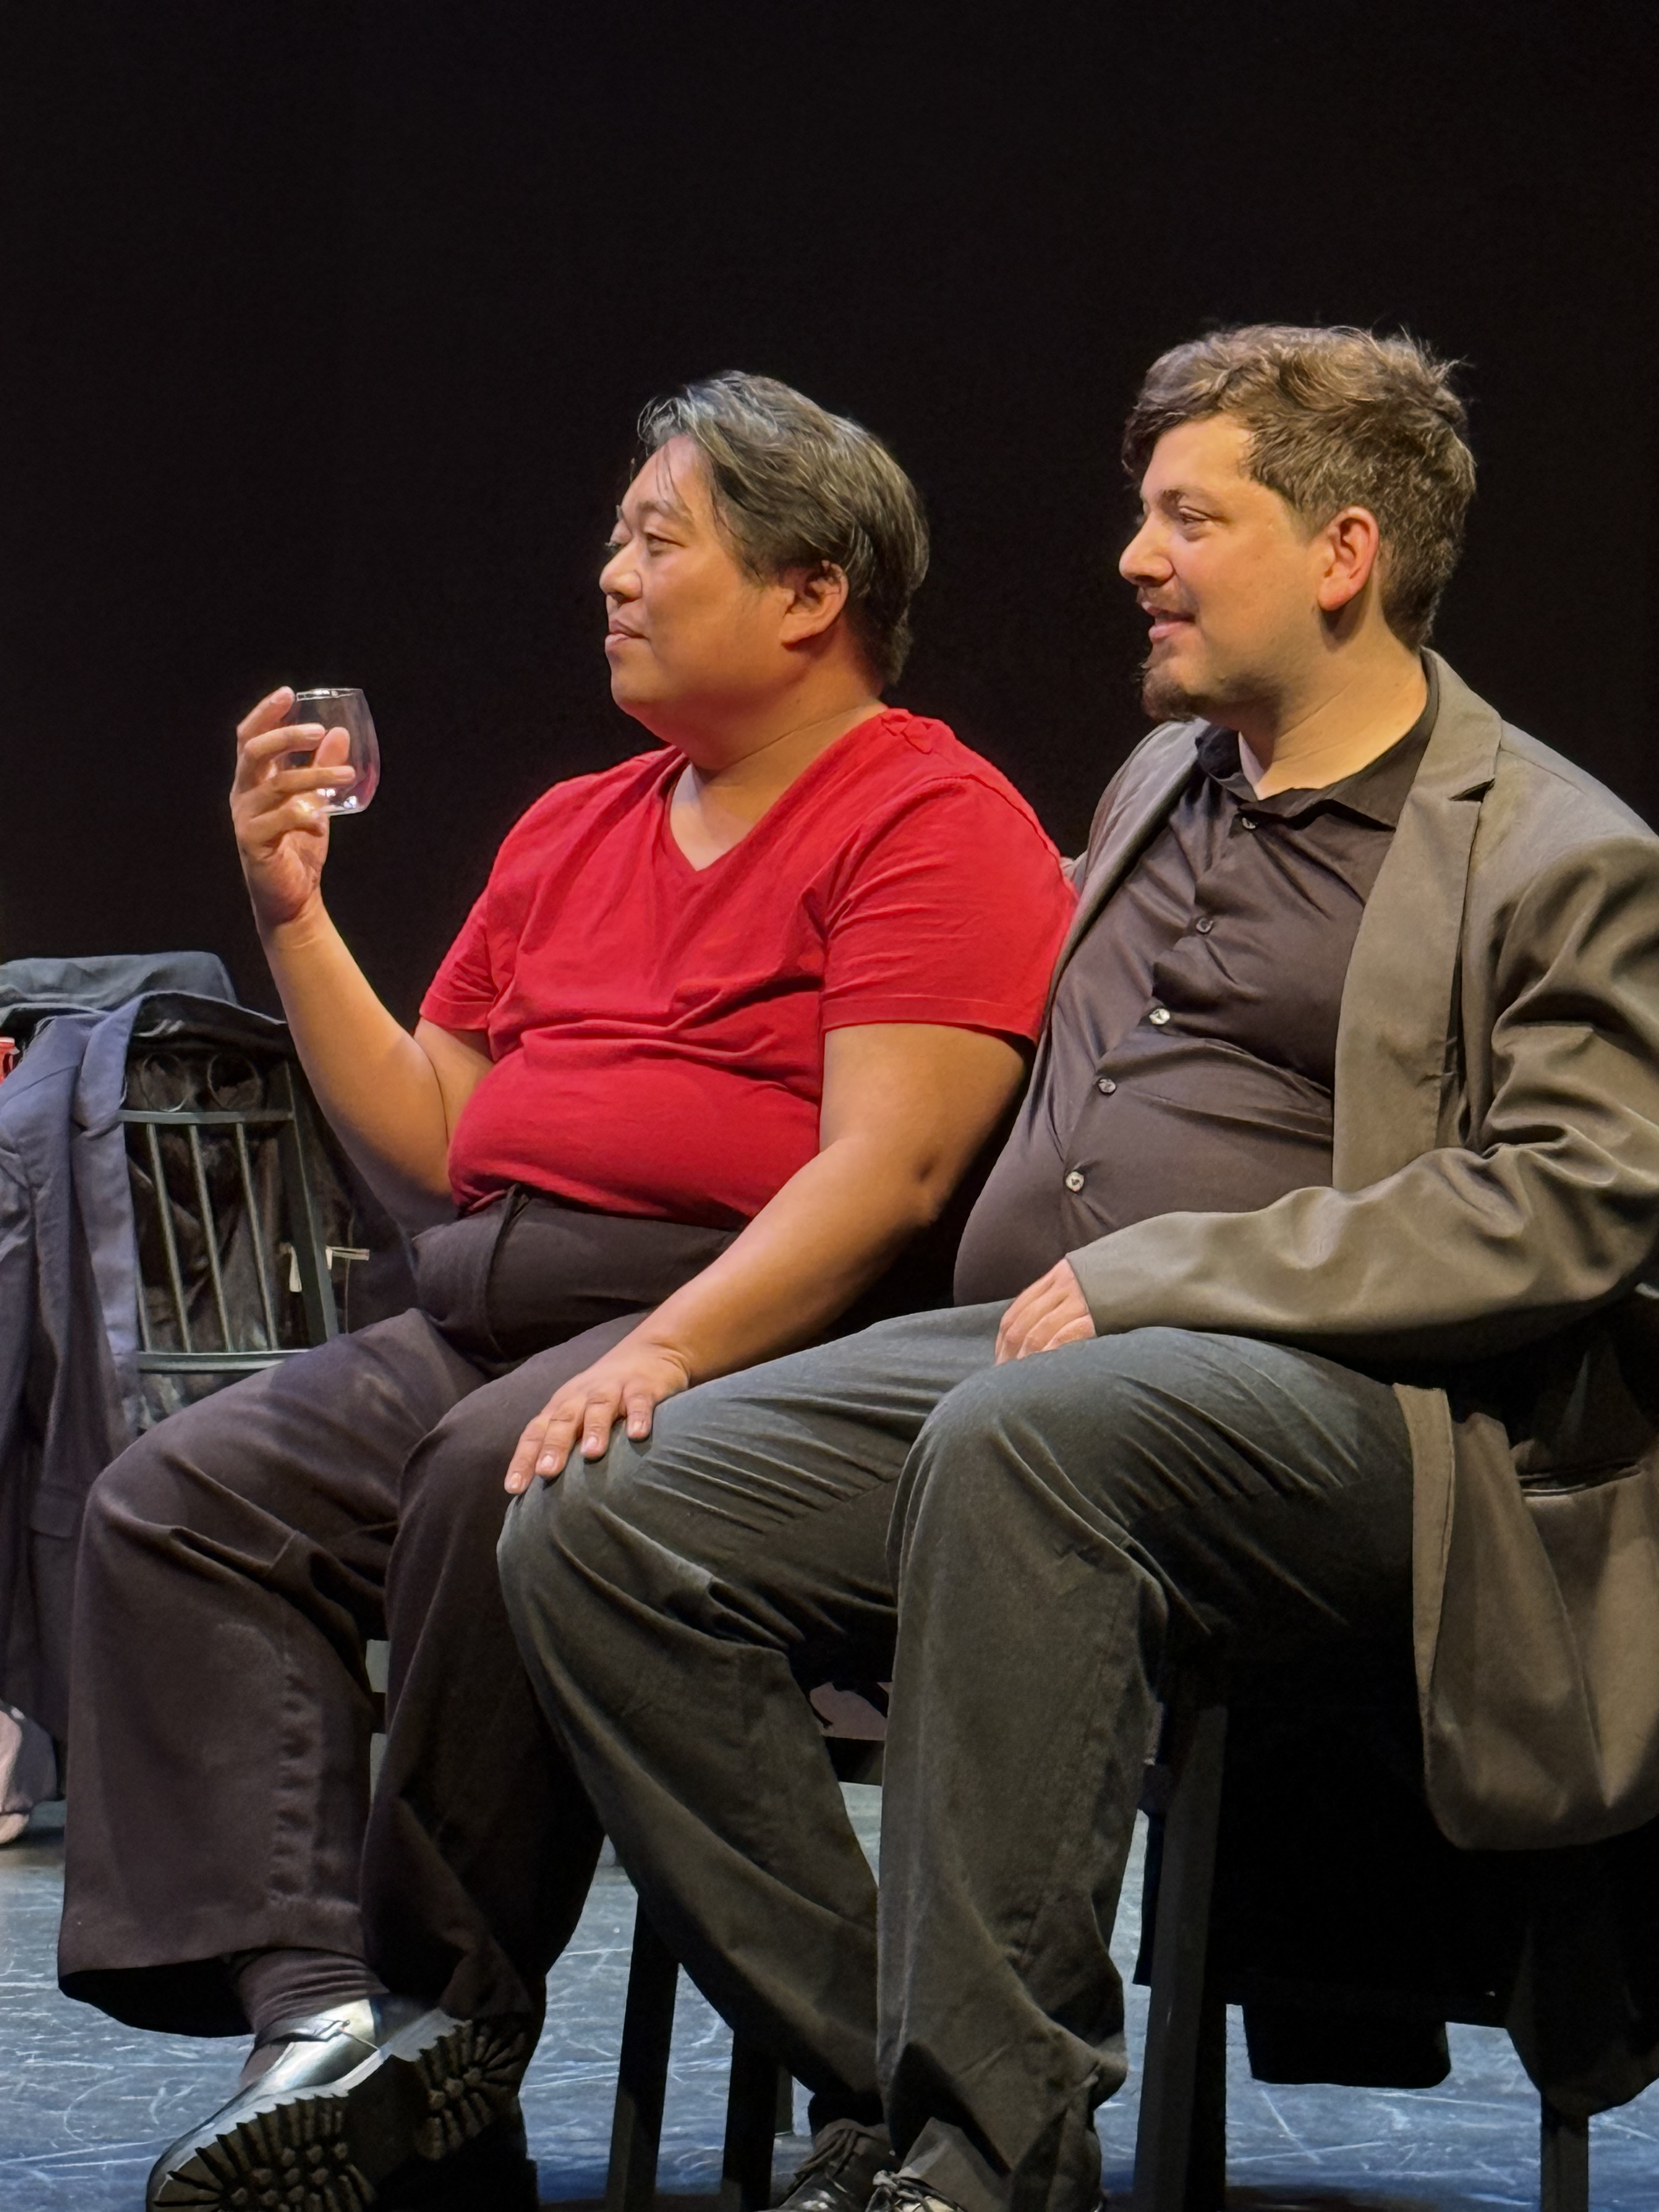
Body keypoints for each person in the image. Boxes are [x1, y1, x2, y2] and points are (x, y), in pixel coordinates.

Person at [499, 327, 1659, 2212]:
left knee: (1030, 1443)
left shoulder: (1549, 846)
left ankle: (984, 2164)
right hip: (1035, 1363)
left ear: (1345, 554)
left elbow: (1577, 1199)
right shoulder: (1155, 785)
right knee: (599, 1514)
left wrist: (1181, 1270)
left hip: (1368, 1415)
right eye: (1146, 514)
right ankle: (897, 2070)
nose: (1137, 557)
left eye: (1191, 518)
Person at [60, 372, 1075, 2212]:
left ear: (810, 592)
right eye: (618, 539)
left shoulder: (932, 817)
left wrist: (670, 1349)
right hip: (485, 1303)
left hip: (751, 1325)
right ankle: (321, 2021)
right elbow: (441, 1137)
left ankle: (444, 2021)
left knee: (494, 1471)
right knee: (182, 1500)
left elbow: (892, 1176)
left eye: (659, 540)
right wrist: (294, 917)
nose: (612, 575)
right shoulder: (575, 826)